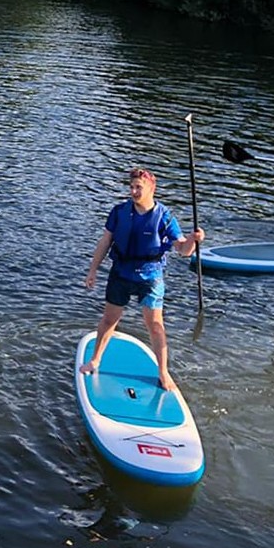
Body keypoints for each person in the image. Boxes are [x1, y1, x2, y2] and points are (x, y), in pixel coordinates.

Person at [81, 168, 205, 393]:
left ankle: (163, 372)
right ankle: (96, 360)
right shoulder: (119, 212)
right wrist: (93, 270)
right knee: (109, 319)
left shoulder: (165, 218)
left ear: (151, 188)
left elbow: (183, 250)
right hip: (121, 272)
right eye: (132, 187)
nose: (134, 191)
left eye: (139, 187)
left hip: (150, 276)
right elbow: (105, 242)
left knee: (156, 325)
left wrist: (194, 241)